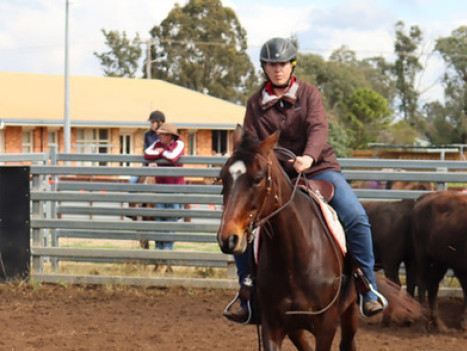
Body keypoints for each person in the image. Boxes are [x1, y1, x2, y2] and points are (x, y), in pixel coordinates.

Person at [226, 36, 387, 324]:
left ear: (292, 66)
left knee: (356, 217)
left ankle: (367, 287)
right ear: (264, 68)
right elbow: (250, 142)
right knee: (241, 222)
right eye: (272, 64)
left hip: (318, 169)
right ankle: (246, 291)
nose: (278, 69)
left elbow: (318, 128)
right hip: (277, 176)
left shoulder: (309, 94)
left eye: (283, 64)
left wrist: (309, 157)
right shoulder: (255, 104)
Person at [143, 122, 186, 252]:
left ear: (169, 135)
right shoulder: (158, 144)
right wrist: (163, 152)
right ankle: (158, 247)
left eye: (162, 134)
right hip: (160, 187)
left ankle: (167, 248)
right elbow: (147, 153)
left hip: (174, 188)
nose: (159, 136)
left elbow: (173, 157)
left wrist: (161, 153)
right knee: (159, 217)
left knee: (171, 218)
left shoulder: (179, 143)